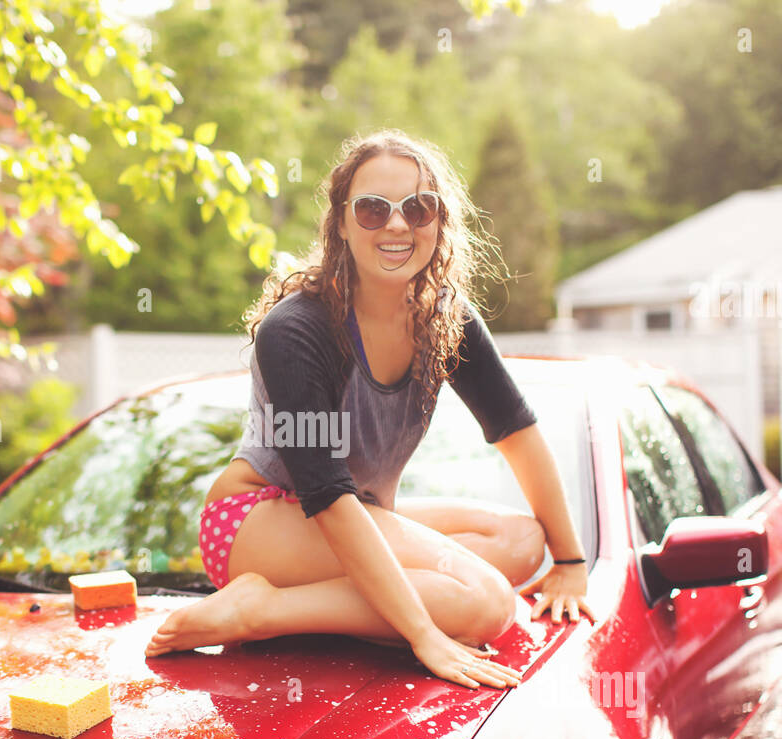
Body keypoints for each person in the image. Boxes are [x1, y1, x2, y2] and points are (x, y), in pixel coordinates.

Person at [146, 129, 594, 688]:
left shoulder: (444, 318)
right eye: (373, 209)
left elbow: (517, 432)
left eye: (418, 207)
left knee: (524, 542)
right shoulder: (299, 331)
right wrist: (424, 634)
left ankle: (302, 603)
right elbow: (328, 497)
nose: (398, 224)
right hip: (257, 520)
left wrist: (571, 565)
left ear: (439, 221)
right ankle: (256, 609)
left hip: (355, 514)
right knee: (484, 605)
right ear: (340, 223)